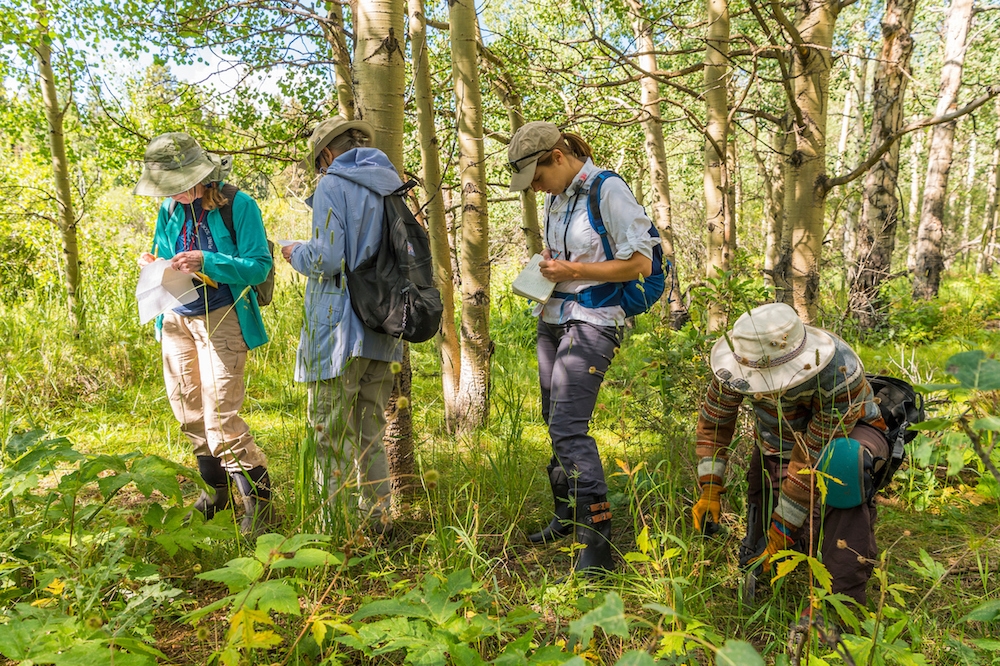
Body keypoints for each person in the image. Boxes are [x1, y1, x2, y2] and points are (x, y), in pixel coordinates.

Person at [508, 121, 656, 573]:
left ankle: (597, 543)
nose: (535, 189)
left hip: (594, 320)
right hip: (552, 317)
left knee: (569, 426)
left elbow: (640, 263)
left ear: (557, 157)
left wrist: (572, 271)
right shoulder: (557, 198)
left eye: (536, 178)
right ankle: (565, 516)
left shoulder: (607, 190)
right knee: (553, 420)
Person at [692, 302, 890, 606]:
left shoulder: (838, 368)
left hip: (850, 435)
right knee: (763, 485)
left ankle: (838, 602)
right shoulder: (738, 361)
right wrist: (710, 488)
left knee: (842, 470)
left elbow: (809, 459)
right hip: (780, 439)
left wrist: (782, 528)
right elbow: (715, 423)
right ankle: (769, 558)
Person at [134, 132, 274, 534]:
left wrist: (207, 259)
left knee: (221, 419)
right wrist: (155, 262)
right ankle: (217, 494)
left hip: (223, 316)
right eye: (167, 190)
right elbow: (166, 258)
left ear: (201, 176)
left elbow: (258, 266)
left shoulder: (238, 204)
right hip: (176, 318)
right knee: (189, 413)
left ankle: (259, 505)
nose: (174, 196)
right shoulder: (169, 209)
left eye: (179, 187)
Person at [281, 116, 404, 535]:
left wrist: (294, 251)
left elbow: (327, 259)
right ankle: (379, 520)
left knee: (329, 435)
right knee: (371, 431)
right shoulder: (390, 184)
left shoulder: (334, 184)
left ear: (328, 155)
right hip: (383, 331)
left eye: (319, 164)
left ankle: (332, 528)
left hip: (338, 332)